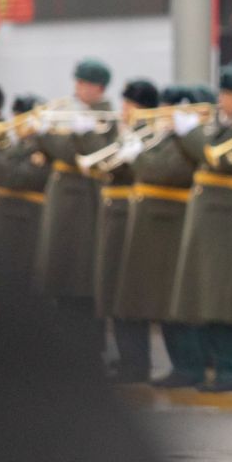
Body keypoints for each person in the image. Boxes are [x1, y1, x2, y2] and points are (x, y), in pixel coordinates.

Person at [169, 62, 232, 392]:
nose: (222, 100)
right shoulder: (219, 124)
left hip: (228, 217)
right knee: (206, 295)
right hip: (209, 216)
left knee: (227, 296)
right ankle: (217, 367)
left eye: (229, 94)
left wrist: (190, 134)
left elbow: (220, 159)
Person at [120, 87, 209, 389]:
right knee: (161, 299)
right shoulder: (170, 136)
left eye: (171, 110)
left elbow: (167, 170)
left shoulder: (189, 139)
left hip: (172, 224)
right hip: (155, 225)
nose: (165, 116)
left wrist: (137, 158)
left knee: (174, 301)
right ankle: (181, 366)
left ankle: (189, 366)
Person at [30, 58, 115, 360]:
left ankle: (88, 348)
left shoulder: (106, 117)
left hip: (83, 201)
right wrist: (42, 131)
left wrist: (63, 134)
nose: (77, 88)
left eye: (84, 83)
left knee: (80, 277)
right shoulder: (70, 112)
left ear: (98, 88)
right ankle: (66, 344)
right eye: (78, 82)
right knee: (61, 275)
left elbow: (80, 154)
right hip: (63, 199)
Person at [94, 78, 160, 382]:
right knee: (113, 292)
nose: (124, 110)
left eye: (129, 105)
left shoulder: (150, 136)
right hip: (114, 217)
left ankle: (137, 362)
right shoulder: (129, 135)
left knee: (128, 293)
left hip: (130, 217)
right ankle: (126, 358)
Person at [0, 94, 49, 292]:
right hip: (6, 218)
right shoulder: (16, 146)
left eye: (21, 118)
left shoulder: (41, 149)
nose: (15, 124)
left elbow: (17, 177)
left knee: (18, 283)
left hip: (25, 221)